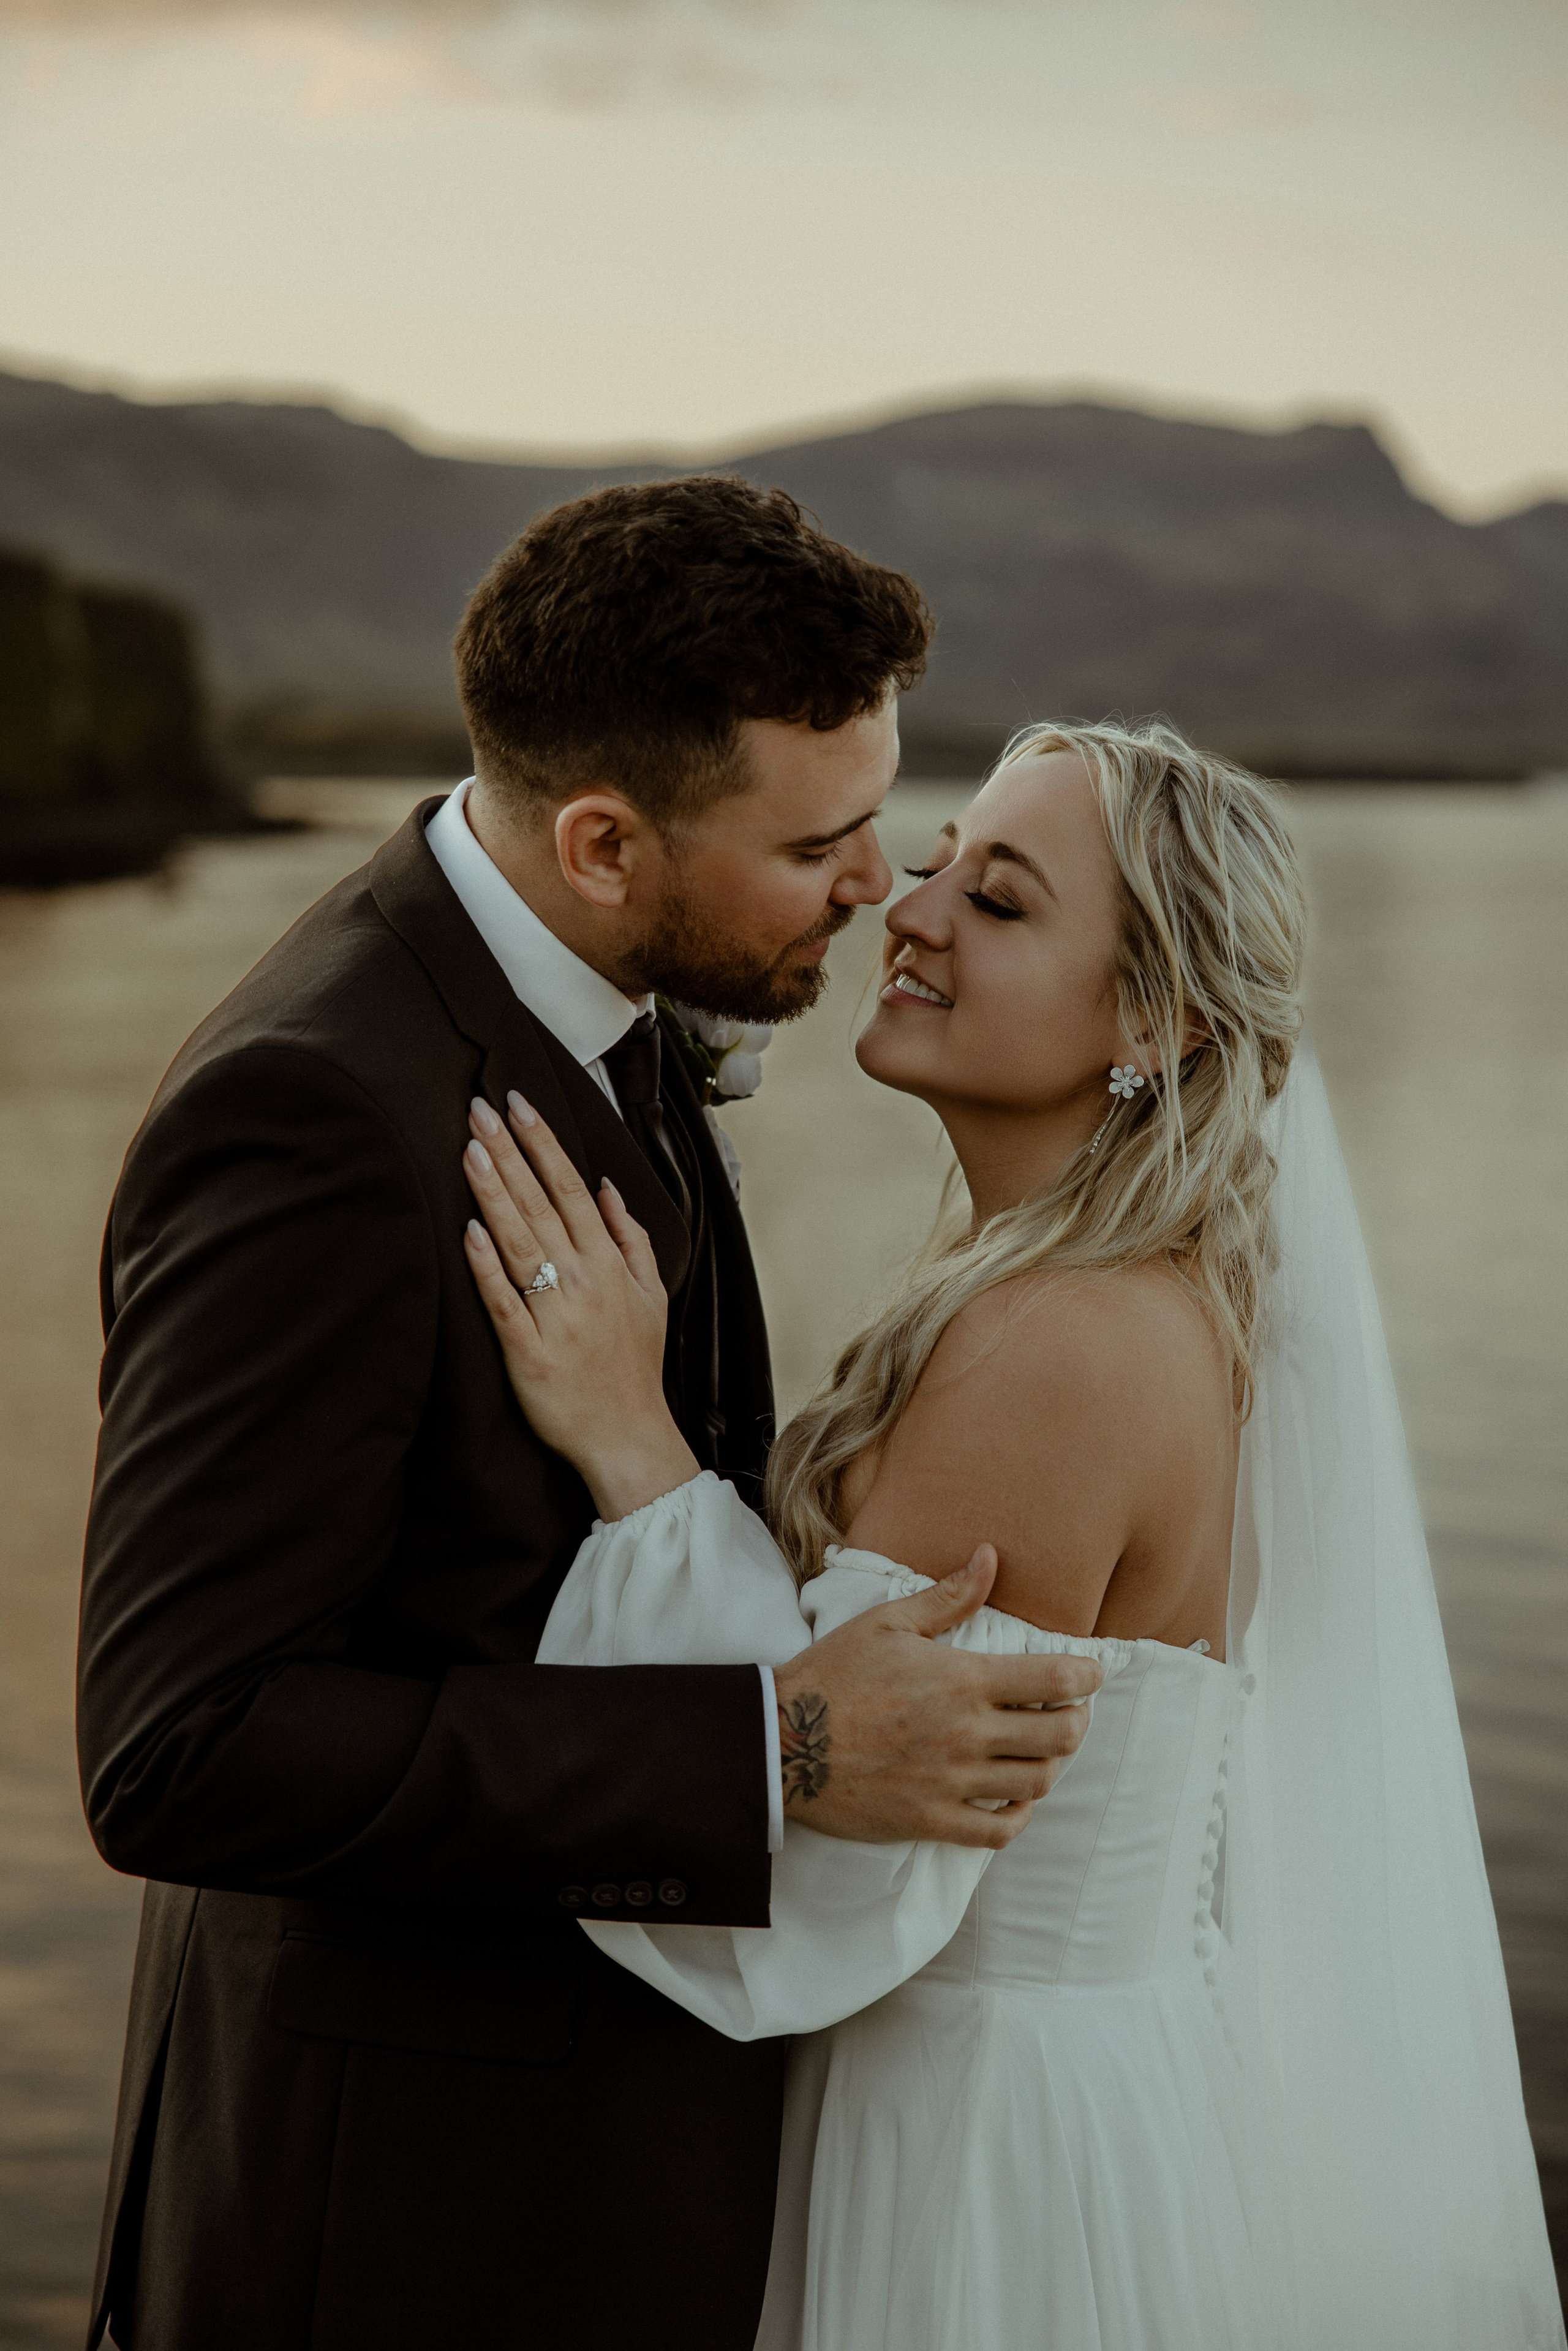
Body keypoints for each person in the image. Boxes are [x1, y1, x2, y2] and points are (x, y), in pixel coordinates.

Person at [75, 478, 1103, 2351]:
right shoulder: (314, 1117)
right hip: (390, 2229)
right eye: (822, 844)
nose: (880, 886)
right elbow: (183, 1749)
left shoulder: (584, 986)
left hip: (574, 2181)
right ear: (607, 843)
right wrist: (776, 1748)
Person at [462, 717, 1566, 2350]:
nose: (907, 912)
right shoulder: (1133, 1298)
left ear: (1157, 1022)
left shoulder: (1057, 1345)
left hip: (984, 2158)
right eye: (935, 864)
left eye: (998, 901)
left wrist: (631, 1442)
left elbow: (828, 1865)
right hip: (1088, 2091)